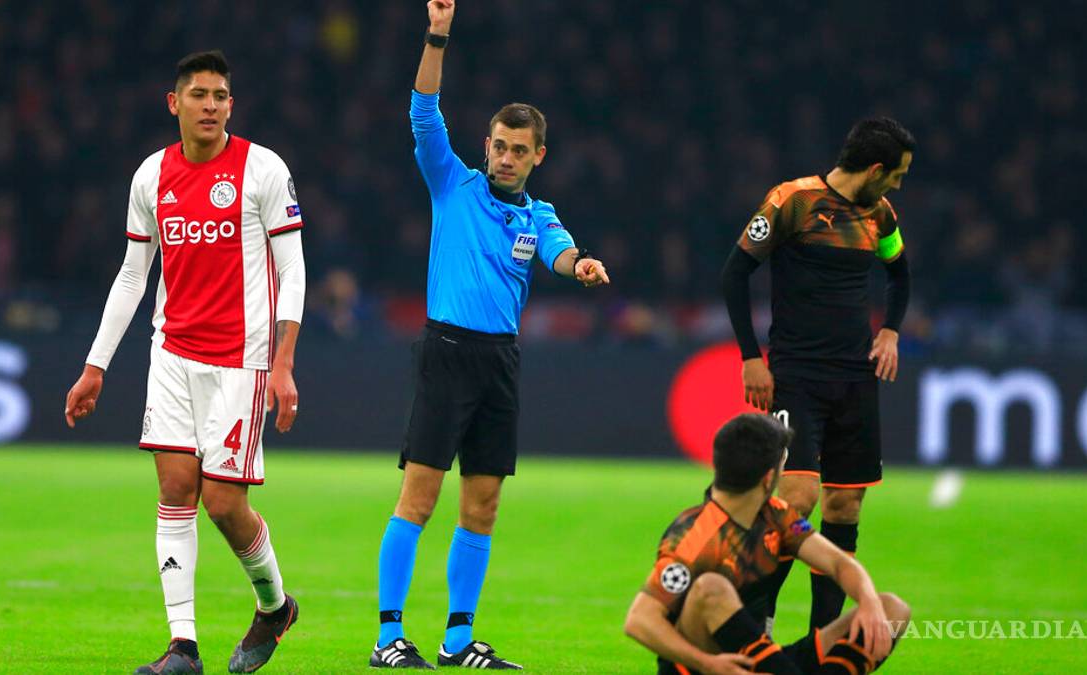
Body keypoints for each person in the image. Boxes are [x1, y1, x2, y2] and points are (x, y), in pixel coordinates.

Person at [369, 0, 610, 669]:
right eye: (499, 146)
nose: (505, 157)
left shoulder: (540, 214)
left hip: (500, 360)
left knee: (484, 502)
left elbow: (559, 251)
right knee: (420, 496)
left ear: (538, 155)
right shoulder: (454, 184)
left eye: (518, 150)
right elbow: (423, 112)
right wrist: (437, 35)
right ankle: (388, 638)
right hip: (447, 351)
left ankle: (456, 640)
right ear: (487, 145)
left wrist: (580, 266)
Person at [63, 50, 304, 675]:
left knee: (223, 505)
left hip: (242, 361)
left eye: (220, 96)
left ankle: (274, 606)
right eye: (199, 94)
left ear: (231, 105)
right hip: (171, 354)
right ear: (175, 103)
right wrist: (95, 366)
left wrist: (282, 363)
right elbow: (132, 275)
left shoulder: (262, 169)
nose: (210, 105)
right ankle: (183, 646)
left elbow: (292, 269)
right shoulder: (151, 176)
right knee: (174, 491)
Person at [720, 118, 914, 635]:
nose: (897, 186)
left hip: (856, 378)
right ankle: (757, 623)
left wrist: (890, 331)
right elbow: (735, 274)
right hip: (797, 374)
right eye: (896, 175)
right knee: (797, 498)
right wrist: (751, 357)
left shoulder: (880, 214)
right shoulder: (792, 201)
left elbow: (899, 274)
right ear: (875, 169)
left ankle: (822, 640)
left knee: (845, 504)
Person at [624, 414, 911, 674]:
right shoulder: (695, 536)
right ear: (769, 477)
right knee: (711, 588)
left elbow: (838, 563)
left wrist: (869, 602)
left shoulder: (776, 515)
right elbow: (639, 619)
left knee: (892, 611)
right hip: (710, 667)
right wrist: (707, 663)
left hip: (762, 661)